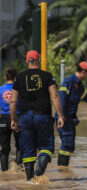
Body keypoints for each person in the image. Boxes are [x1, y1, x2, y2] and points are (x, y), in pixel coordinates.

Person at [10, 50, 64, 181]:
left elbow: (13, 101)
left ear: (27, 61)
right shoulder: (47, 76)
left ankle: (30, 181)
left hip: (25, 117)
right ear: (38, 59)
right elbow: (55, 96)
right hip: (43, 116)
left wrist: (13, 120)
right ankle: (40, 169)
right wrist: (60, 115)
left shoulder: (20, 78)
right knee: (46, 146)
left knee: (28, 150)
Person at [0, 68, 21, 171]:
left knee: (4, 148)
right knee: (20, 145)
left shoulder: (0, 89)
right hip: (17, 117)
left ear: (6, 77)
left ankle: (3, 172)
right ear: (15, 77)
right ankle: (19, 168)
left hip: (3, 120)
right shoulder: (19, 89)